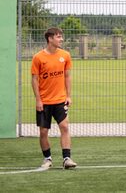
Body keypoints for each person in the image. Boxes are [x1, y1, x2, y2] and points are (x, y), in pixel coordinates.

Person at [31, 27, 77, 169]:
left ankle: (67, 159)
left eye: (61, 36)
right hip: (44, 102)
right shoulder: (38, 57)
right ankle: (47, 159)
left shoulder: (65, 55)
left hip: (60, 100)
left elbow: (67, 76)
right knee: (43, 131)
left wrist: (68, 95)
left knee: (64, 126)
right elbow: (34, 80)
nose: (61, 39)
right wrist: (38, 99)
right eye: (58, 37)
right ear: (50, 39)